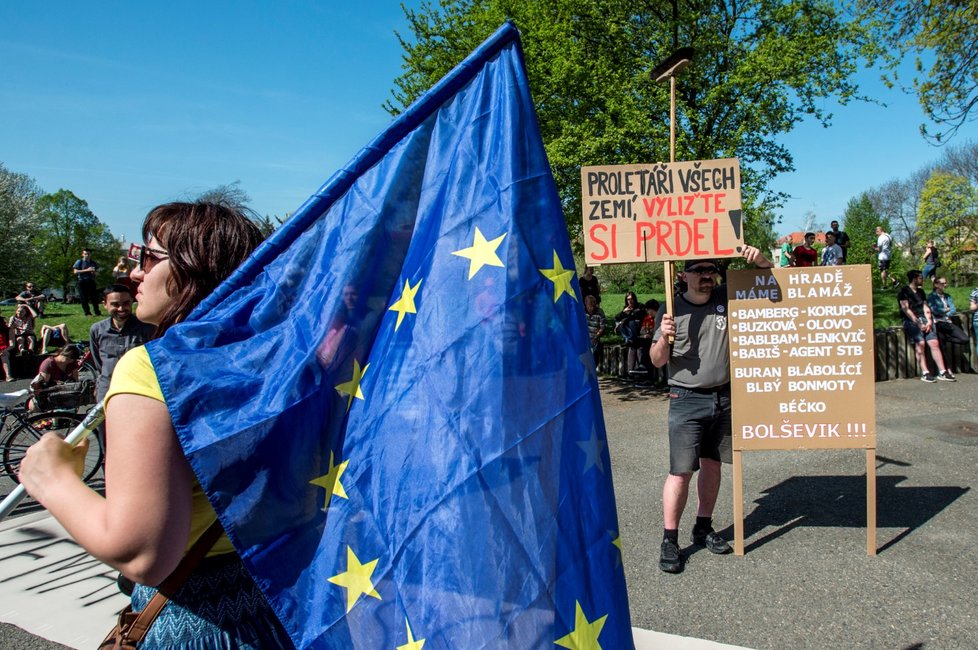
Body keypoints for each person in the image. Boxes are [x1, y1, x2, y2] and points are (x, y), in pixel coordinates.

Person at [19, 201, 291, 648]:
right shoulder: (278, 358)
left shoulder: (150, 369)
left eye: (148, 257)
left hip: (199, 622)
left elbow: (141, 552)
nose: (134, 274)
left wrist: (51, 478)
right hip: (281, 601)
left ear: (192, 269)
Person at [650, 248, 773, 573]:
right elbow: (657, 360)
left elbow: (770, 279)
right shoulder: (671, 307)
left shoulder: (725, 295)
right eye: (699, 270)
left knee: (713, 465)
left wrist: (758, 259)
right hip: (686, 399)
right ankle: (670, 539)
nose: (707, 274)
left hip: (723, 397)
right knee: (680, 472)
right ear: (684, 275)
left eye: (711, 269)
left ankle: (703, 527)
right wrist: (664, 337)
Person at [89, 284, 156, 405]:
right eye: (115, 304)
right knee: (105, 424)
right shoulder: (97, 330)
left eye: (126, 303)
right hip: (107, 389)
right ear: (105, 304)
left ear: (132, 302)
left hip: (138, 389)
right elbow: (98, 363)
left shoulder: (147, 328)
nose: (121, 308)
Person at [898, 270, 955, 382]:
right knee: (921, 344)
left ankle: (943, 371)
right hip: (911, 320)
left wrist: (929, 320)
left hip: (924, 318)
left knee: (934, 343)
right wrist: (918, 323)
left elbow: (925, 306)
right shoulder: (903, 292)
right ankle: (925, 372)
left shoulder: (921, 292)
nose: (922, 280)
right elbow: (906, 309)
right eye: (920, 278)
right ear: (914, 279)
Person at [29, 344, 81, 410]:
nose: (71, 361)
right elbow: (44, 385)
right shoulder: (49, 364)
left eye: (73, 360)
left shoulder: (72, 363)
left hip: (65, 392)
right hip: (51, 393)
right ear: (62, 354)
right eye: (69, 359)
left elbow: (76, 379)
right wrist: (56, 383)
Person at [928, 277, 970, 345]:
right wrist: (946, 309)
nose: (945, 285)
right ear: (936, 285)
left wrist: (946, 313)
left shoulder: (947, 296)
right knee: (942, 348)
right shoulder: (931, 297)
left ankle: (947, 339)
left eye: (945, 283)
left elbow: (953, 310)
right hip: (937, 324)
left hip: (948, 322)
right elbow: (935, 311)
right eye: (942, 283)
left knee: (965, 339)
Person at [614, 291, 645, 373]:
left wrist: (624, 320)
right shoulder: (626, 308)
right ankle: (629, 339)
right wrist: (623, 312)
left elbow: (637, 316)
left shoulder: (640, 306)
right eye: (628, 299)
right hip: (630, 332)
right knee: (618, 323)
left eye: (631, 299)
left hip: (639, 330)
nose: (630, 301)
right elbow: (616, 318)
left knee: (631, 323)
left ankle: (630, 339)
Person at [72, 248, 101, 316]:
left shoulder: (93, 263)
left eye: (88, 254)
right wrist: (87, 270)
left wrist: (94, 273)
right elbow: (75, 271)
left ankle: (97, 312)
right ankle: (87, 312)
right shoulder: (79, 261)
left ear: (90, 254)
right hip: (82, 281)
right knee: (84, 298)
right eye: (85, 254)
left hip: (91, 281)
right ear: (82, 254)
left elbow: (97, 273)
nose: (87, 255)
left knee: (94, 297)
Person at [583, 294, 606, 368]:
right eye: (591, 302)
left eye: (594, 302)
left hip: (595, 338)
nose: (593, 304)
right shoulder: (582, 312)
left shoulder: (600, 312)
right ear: (586, 303)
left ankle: (592, 370)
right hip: (584, 339)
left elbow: (602, 327)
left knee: (595, 353)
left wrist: (596, 337)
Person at [0, 312, 13, 381]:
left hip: (5, 348)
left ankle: (8, 376)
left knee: (4, 354)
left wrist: (5, 350)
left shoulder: (8, 329)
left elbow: (12, 344)